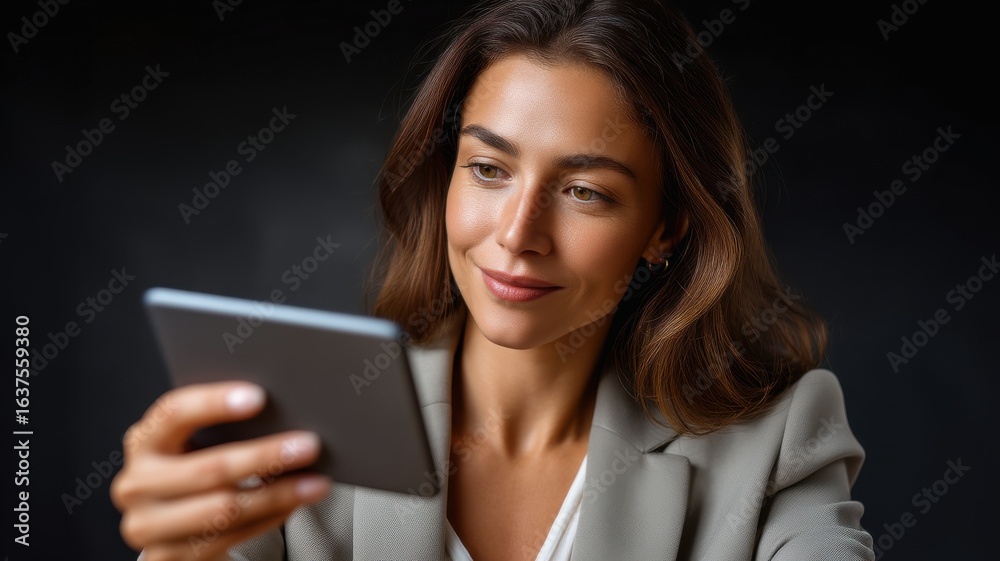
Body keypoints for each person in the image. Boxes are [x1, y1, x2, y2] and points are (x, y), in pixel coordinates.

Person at [111, 0, 876, 559]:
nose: (517, 233)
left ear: (665, 227)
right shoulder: (298, 421)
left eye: (585, 191)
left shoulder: (775, 439)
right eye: (487, 169)